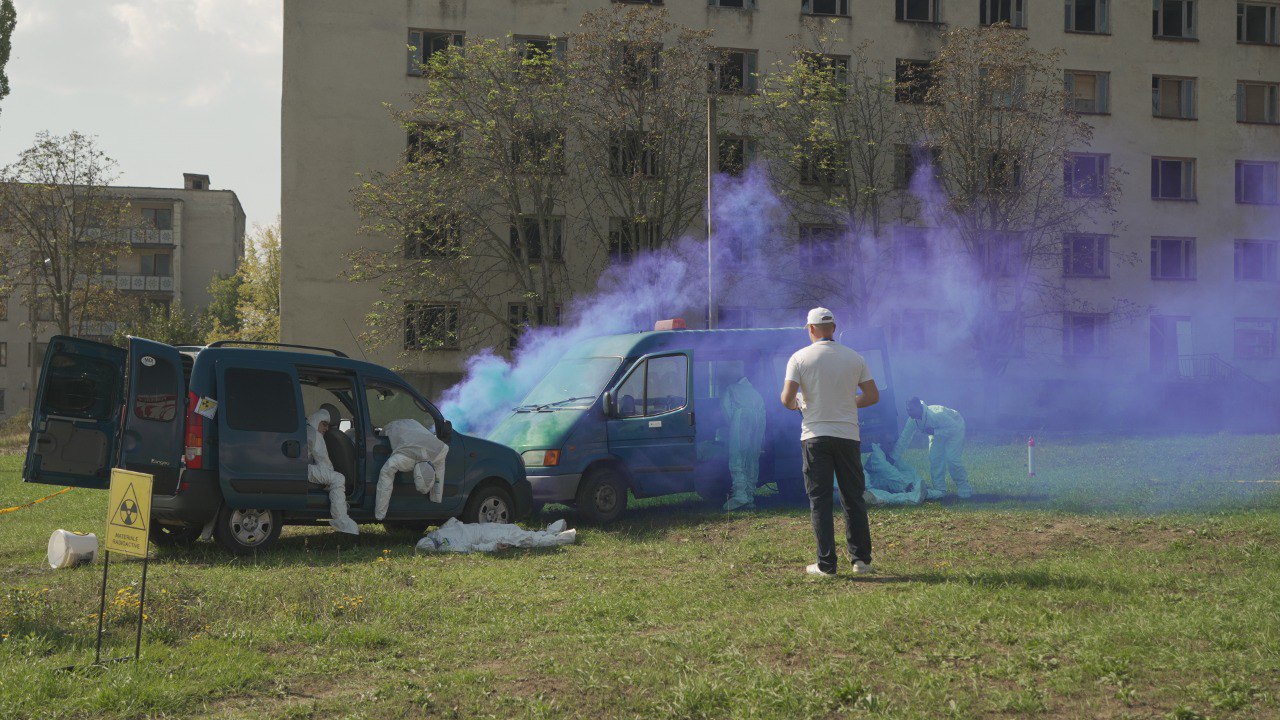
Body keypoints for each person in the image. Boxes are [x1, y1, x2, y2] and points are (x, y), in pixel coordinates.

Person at [780, 307, 880, 577]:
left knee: (820, 500)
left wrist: (799, 404)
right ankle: (861, 561)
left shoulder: (799, 358)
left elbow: (787, 399)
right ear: (833, 328)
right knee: (853, 498)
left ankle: (826, 566)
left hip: (814, 436)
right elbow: (872, 396)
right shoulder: (855, 358)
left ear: (810, 329)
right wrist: (848, 402)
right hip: (848, 436)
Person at [891, 397, 973, 500]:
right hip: (937, 432)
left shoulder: (935, 414)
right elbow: (904, 438)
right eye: (907, 410)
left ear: (919, 407)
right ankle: (940, 490)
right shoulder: (913, 420)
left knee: (952, 459)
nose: (909, 413)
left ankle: (965, 490)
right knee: (935, 458)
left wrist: (935, 432)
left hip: (955, 428)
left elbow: (954, 428)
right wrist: (893, 457)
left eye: (911, 410)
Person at [375, 418, 450, 521]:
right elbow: (439, 475)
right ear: (415, 475)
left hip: (413, 422)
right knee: (386, 472)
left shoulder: (441, 450)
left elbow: (439, 474)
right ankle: (379, 515)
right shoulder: (403, 461)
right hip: (390, 427)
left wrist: (436, 497)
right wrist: (380, 514)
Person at [306, 410, 359, 534]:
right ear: (316, 421)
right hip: (305, 470)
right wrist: (331, 480)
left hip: (298, 469)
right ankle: (341, 520)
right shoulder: (315, 435)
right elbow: (324, 462)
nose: (326, 428)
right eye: (324, 424)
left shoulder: (307, 430)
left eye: (328, 425)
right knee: (338, 478)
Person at [720, 373, 765, 512]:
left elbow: (726, 410)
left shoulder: (731, 389)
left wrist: (731, 426)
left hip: (740, 419)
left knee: (737, 456)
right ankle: (750, 496)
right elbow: (763, 415)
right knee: (752, 457)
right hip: (758, 422)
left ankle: (740, 496)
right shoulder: (756, 393)